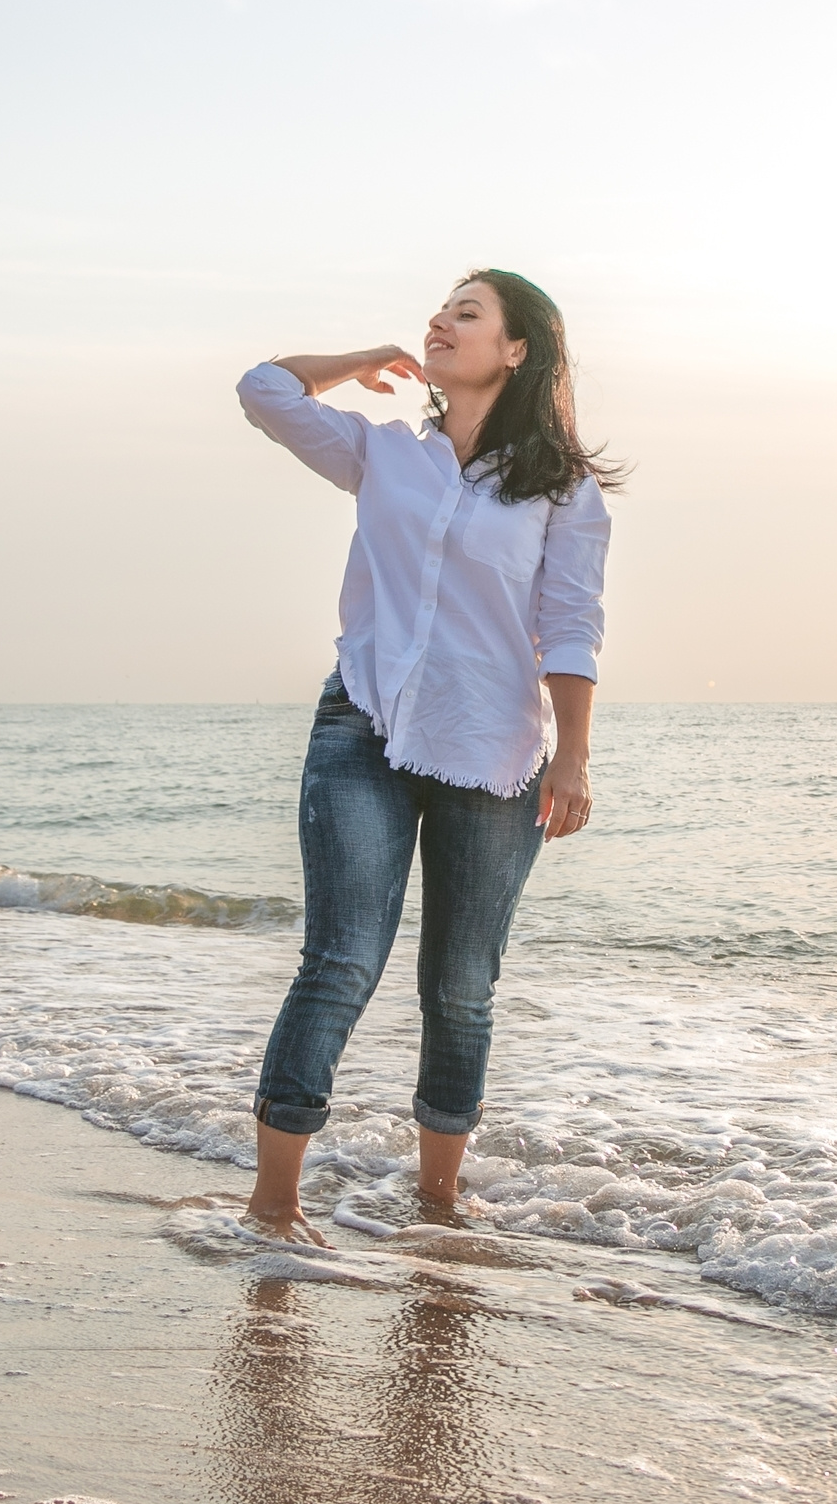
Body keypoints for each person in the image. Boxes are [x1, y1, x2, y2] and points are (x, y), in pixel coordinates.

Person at [233, 271, 619, 1244]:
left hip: (492, 748)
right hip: (362, 723)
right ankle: (273, 1207)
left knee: (459, 983)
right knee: (341, 960)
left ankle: (438, 1200)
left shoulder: (560, 490)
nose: (443, 320)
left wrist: (572, 759)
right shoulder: (384, 453)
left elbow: (570, 628)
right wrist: (365, 361)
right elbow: (263, 391)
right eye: (441, 308)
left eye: (469, 312)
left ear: (518, 349)